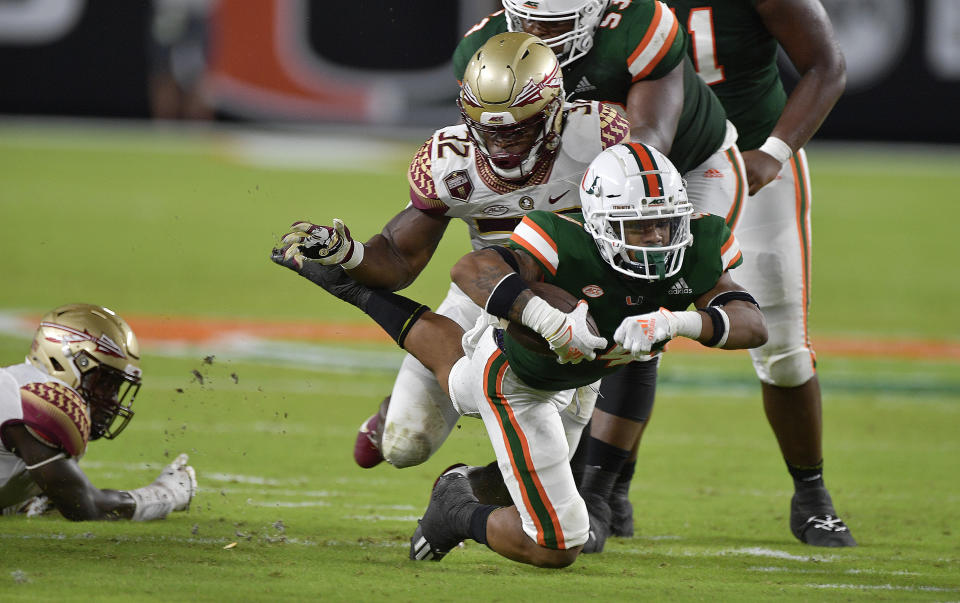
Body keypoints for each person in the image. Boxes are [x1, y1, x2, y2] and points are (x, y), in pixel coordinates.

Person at [273, 142, 767, 567]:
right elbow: (472, 269)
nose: (657, 240)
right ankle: (454, 513)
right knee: (558, 543)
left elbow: (751, 322)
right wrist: (545, 318)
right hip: (518, 384)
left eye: (664, 224)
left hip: (579, 381)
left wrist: (678, 321)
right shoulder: (561, 239)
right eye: (639, 228)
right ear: (599, 219)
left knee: (469, 402)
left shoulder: (701, 243)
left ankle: (457, 492)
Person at [453, 0, 750, 550]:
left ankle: (604, 489)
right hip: (591, 184)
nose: (540, 31)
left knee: (646, 309)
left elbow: (649, 141)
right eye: (530, 18)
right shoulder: (487, 51)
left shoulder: (642, 24)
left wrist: (678, 316)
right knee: (598, 304)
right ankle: (592, 487)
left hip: (680, 165)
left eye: (556, 22)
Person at [277, 33, 629, 473]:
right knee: (406, 446)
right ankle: (396, 409)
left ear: (554, 111)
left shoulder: (602, 137)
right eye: (488, 128)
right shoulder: (451, 160)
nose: (501, 143)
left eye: (518, 127)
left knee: (542, 456)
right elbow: (399, 258)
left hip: (575, 300)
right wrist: (348, 254)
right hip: (487, 294)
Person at [621, 0, 848, 547]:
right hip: (645, 173)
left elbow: (826, 65)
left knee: (784, 349)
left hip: (751, 162)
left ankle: (811, 492)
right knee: (618, 322)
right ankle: (605, 490)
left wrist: (774, 152)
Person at [0, 303, 197, 521]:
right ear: (66, 363)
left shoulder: (19, 387)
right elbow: (86, 506)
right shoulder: (42, 402)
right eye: (104, 383)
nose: (112, 400)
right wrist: (165, 494)